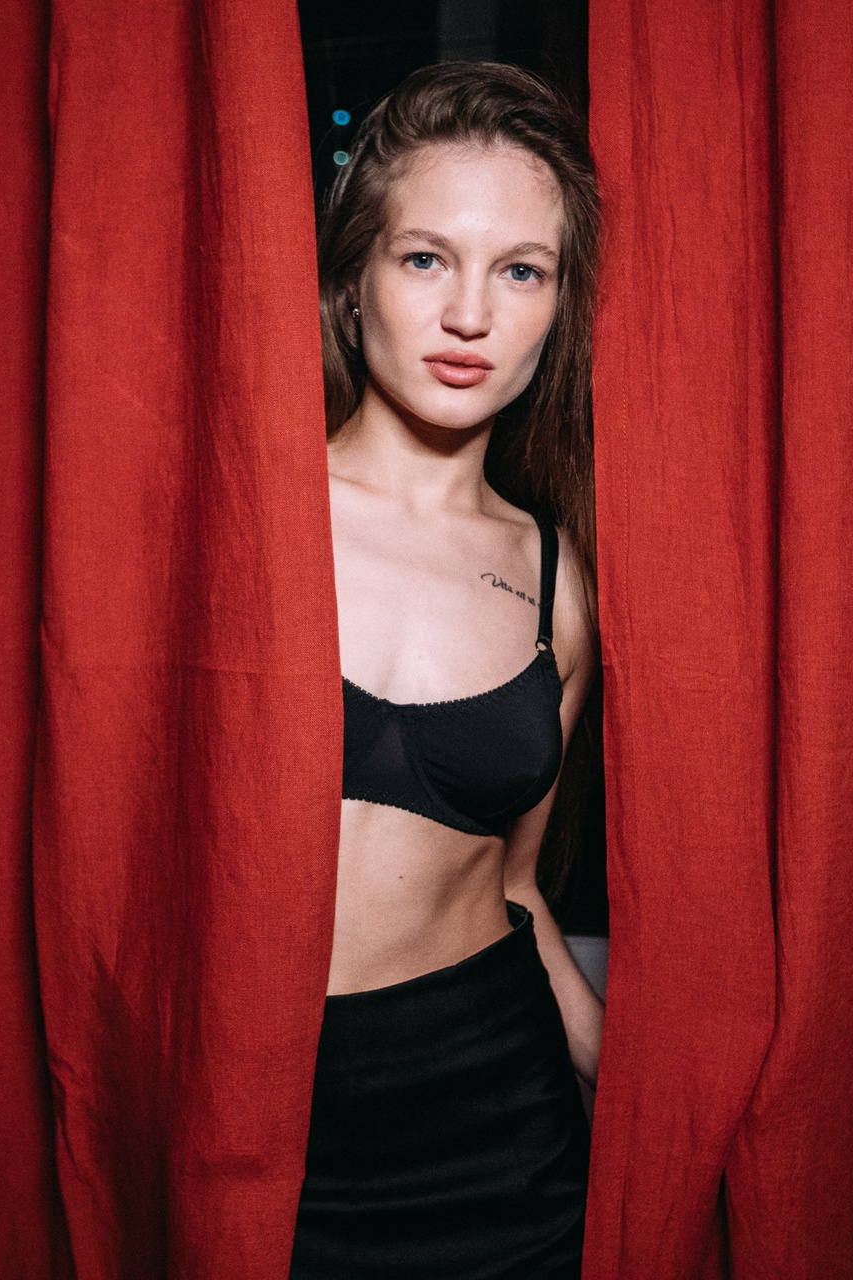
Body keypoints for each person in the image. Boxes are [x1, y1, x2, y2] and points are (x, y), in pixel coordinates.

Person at [289, 61, 605, 1279]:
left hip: (499, 1132)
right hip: (263, 1116)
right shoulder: (250, 520)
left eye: (521, 271)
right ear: (352, 283)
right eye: (426, 258)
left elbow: (513, 885)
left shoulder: (555, 579)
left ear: (557, 308)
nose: (470, 314)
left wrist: (645, 1095)